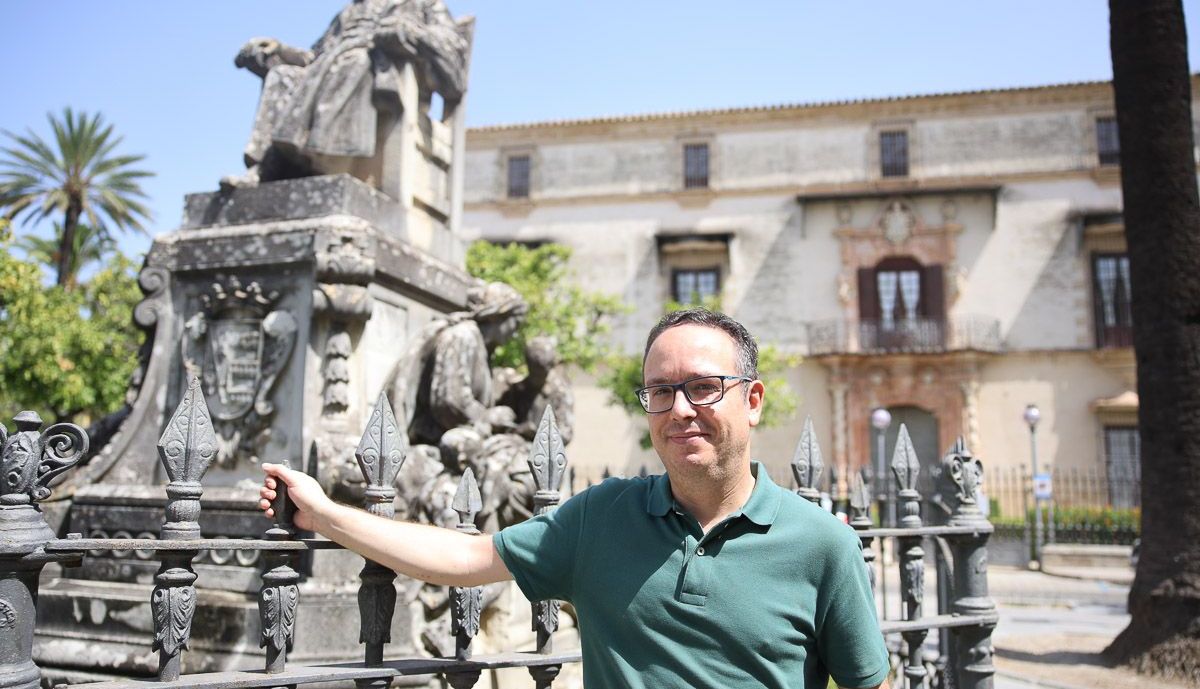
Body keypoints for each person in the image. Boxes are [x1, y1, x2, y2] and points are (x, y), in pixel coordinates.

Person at [260, 308, 890, 689]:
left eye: (703, 387)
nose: (679, 409)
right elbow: (464, 558)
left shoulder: (822, 544)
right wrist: (324, 514)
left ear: (752, 401)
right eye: (660, 391)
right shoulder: (602, 517)